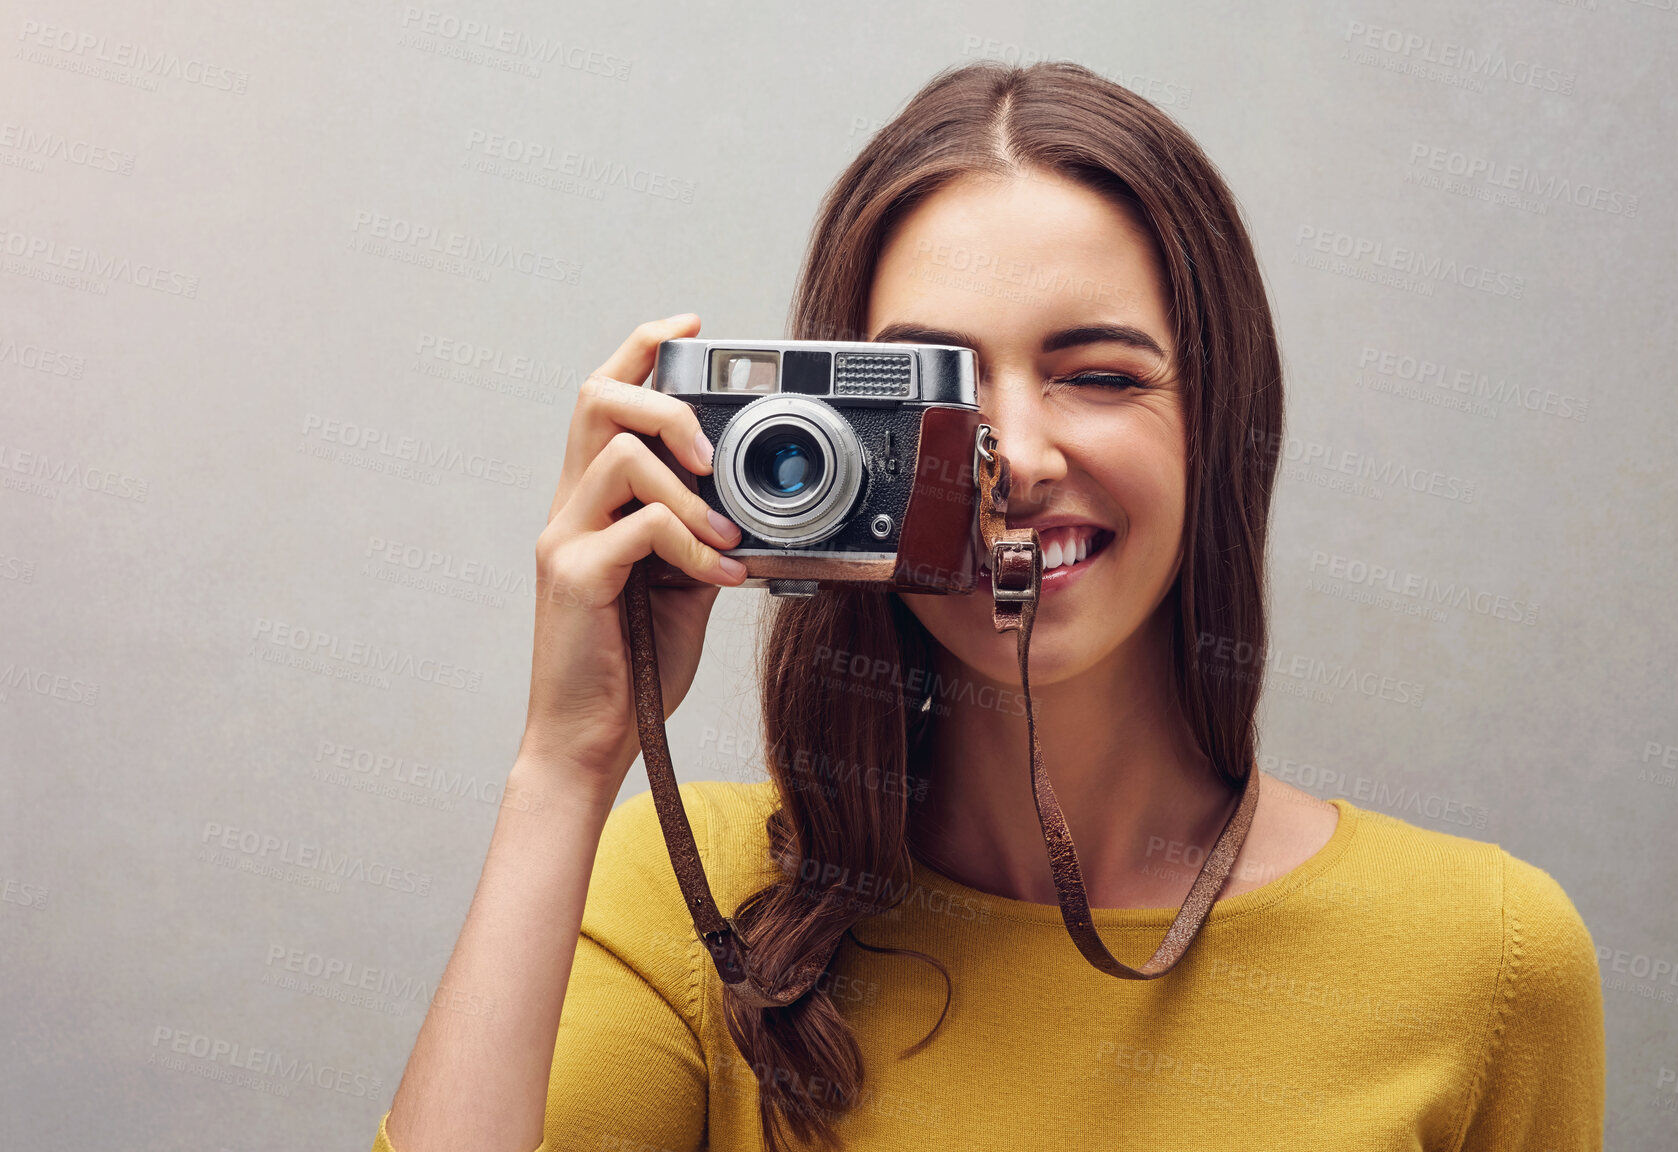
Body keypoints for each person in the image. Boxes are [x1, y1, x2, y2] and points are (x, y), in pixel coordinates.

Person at [372, 60, 1605, 1152]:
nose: (1012, 453)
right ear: (829, 441)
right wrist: (566, 764)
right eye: (939, 389)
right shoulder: (680, 901)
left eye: (1099, 375)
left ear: (1221, 425)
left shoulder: (1487, 957)